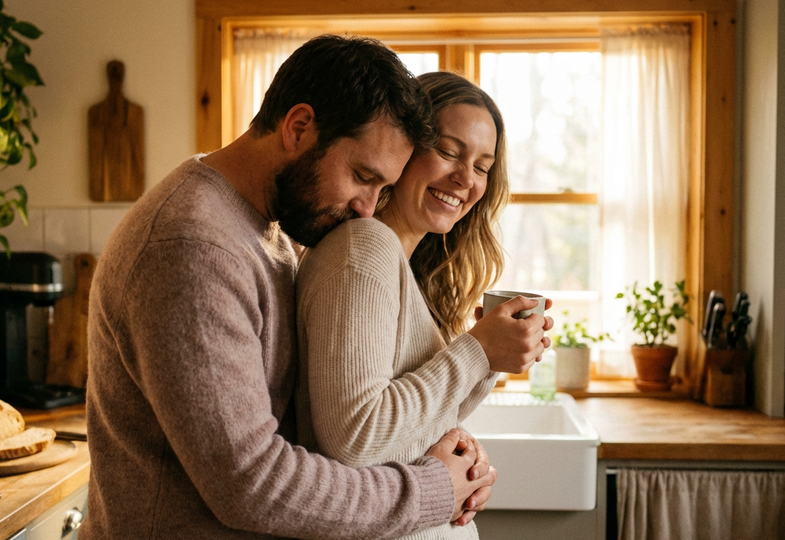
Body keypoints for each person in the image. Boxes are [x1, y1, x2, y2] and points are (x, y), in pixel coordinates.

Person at [82, 35, 545, 540]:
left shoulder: (274, 224)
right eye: (362, 176)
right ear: (299, 126)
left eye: (382, 187)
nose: (369, 209)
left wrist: (450, 450)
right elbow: (254, 483)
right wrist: (434, 488)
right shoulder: (192, 246)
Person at [295, 72, 553, 539]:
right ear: (404, 147)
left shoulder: (404, 265)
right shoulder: (364, 248)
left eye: (482, 165)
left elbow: (415, 422)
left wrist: (461, 453)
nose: (465, 178)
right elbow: (356, 437)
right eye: (449, 152)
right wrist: (476, 352)